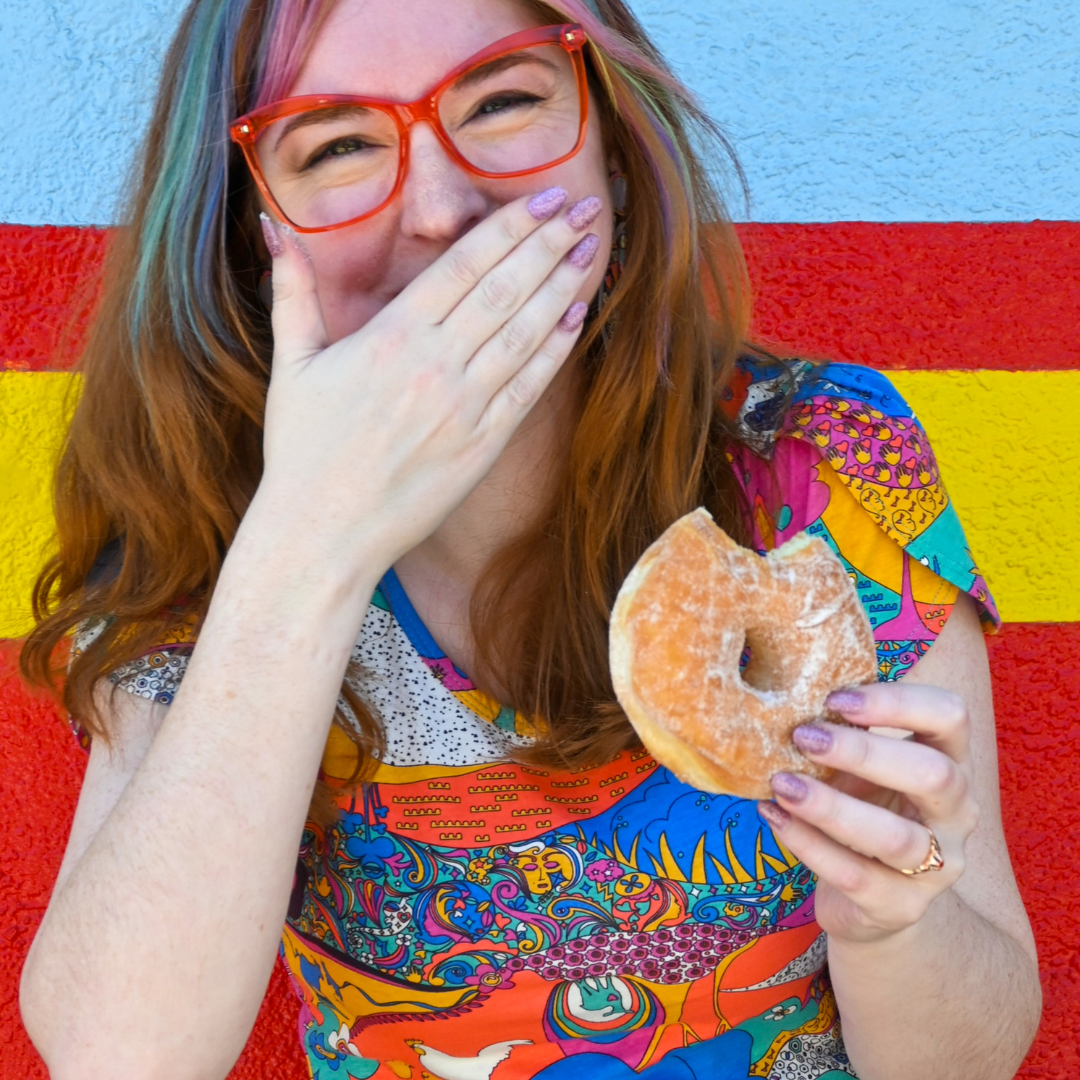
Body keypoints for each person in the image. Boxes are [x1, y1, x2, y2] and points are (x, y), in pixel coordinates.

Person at [18, 0, 1040, 1078]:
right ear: (241, 227)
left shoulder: (823, 460)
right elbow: (119, 1056)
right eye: (341, 144)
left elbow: (968, 1058)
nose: (448, 209)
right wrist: (308, 539)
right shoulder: (210, 517)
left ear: (615, 149)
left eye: (503, 99)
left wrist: (895, 923)